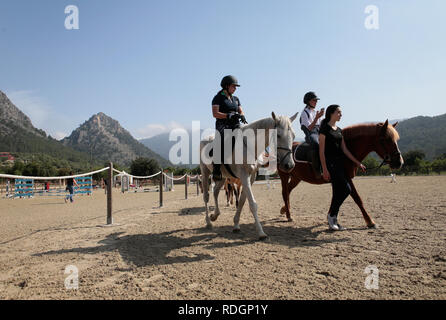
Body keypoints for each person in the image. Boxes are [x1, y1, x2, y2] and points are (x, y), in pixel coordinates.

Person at [319, 105, 366, 231]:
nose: (341, 114)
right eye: (339, 112)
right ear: (331, 113)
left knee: (341, 191)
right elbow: (321, 151)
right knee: (346, 189)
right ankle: (331, 215)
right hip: (330, 163)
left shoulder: (339, 130)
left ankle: (333, 219)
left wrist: (357, 163)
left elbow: (344, 149)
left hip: (340, 163)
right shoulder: (324, 129)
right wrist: (324, 168)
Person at [211, 75, 248, 180]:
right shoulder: (218, 98)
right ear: (226, 86)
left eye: (236, 87)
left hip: (235, 124)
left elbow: (240, 109)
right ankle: (216, 169)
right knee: (221, 141)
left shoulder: (236, 99)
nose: (235, 88)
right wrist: (228, 115)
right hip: (223, 125)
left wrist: (242, 115)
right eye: (233, 86)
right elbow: (215, 113)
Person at [300, 91, 325, 178]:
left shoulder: (315, 112)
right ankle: (317, 171)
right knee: (316, 144)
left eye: (316, 100)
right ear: (308, 101)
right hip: (311, 134)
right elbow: (309, 128)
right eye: (314, 100)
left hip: (319, 132)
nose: (316, 102)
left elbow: (321, 125)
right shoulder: (304, 113)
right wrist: (317, 117)